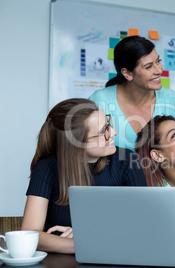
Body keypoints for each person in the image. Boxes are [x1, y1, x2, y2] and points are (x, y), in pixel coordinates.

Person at [21, 99, 147, 254]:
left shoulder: (127, 160)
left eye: (108, 124)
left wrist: (86, 237)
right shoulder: (47, 167)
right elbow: (29, 234)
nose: (113, 132)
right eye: (103, 132)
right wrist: (82, 244)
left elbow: (143, 225)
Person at [89, 36, 175, 151]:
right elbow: (90, 149)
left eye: (158, 61)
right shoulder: (100, 101)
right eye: (148, 67)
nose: (158, 70)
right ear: (127, 73)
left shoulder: (172, 100)